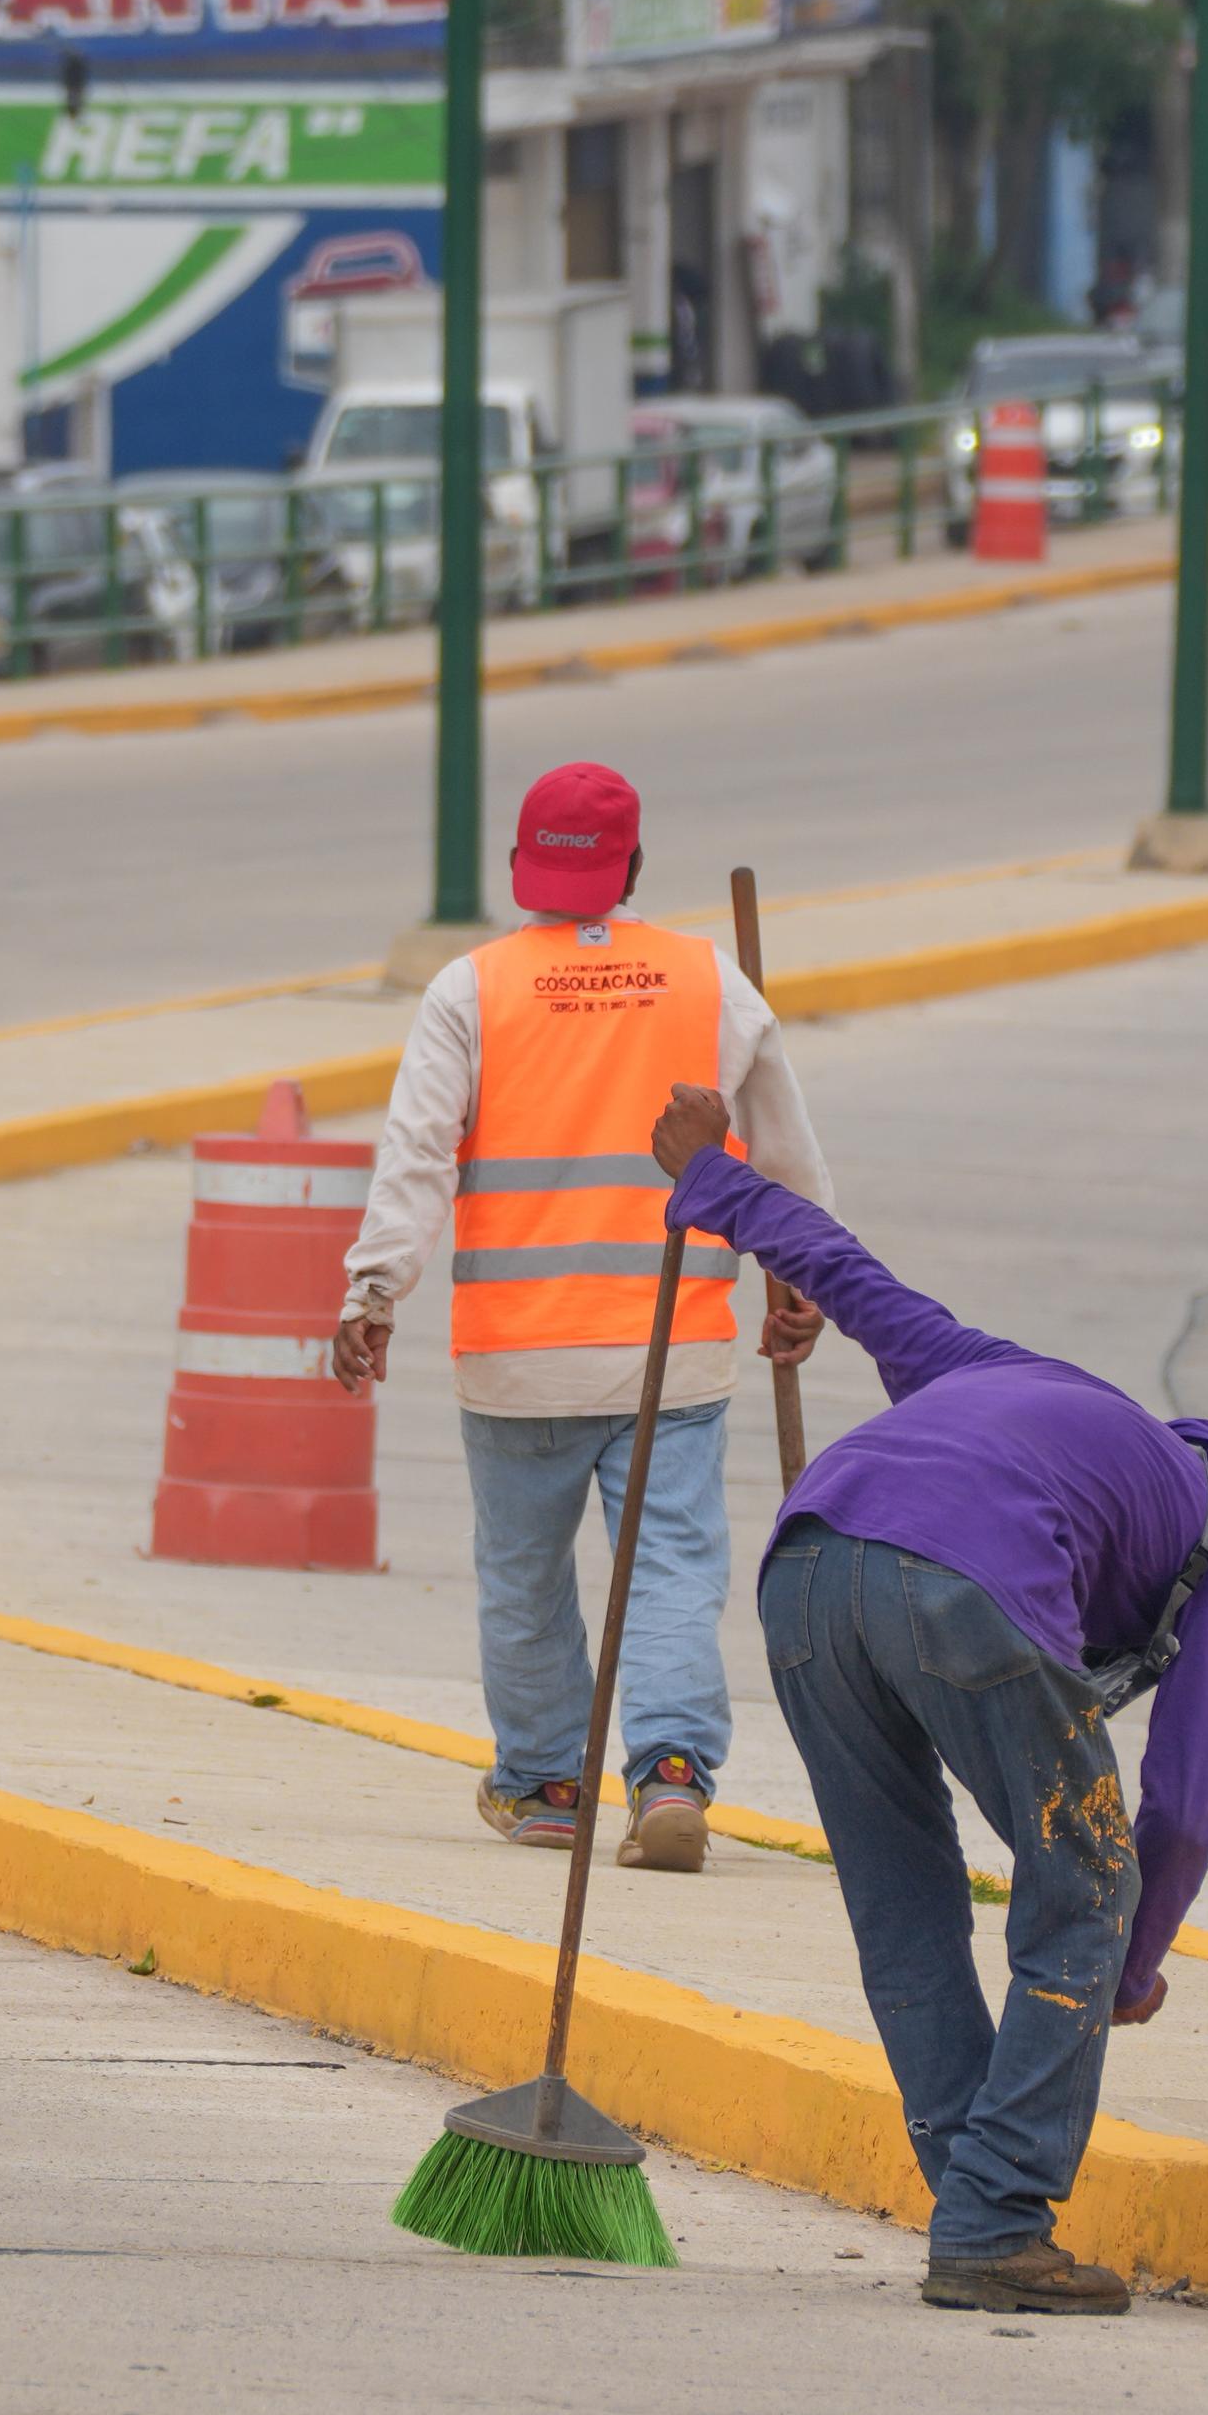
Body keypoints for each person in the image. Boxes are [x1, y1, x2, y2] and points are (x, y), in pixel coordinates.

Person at [646, 1083, 1208, 2320]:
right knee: (1086, 1881)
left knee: (901, 1897)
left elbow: (850, 1277)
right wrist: (1129, 1964)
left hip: (805, 1568)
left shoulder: (1027, 1382)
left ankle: (973, 2201)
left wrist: (710, 1178)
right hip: (964, 1581)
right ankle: (995, 2219)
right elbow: (1183, 1807)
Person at [332, 764, 833, 1873]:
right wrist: (805, 1280)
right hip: (671, 1348)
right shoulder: (710, 982)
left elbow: (416, 1155)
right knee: (669, 1567)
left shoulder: (470, 989)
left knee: (524, 1575)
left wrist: (373, 1291)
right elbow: (785, 1154)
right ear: (634, 866)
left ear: (522, 866)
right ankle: (669, 1772)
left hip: (517, 1355)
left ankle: (547, 1783)